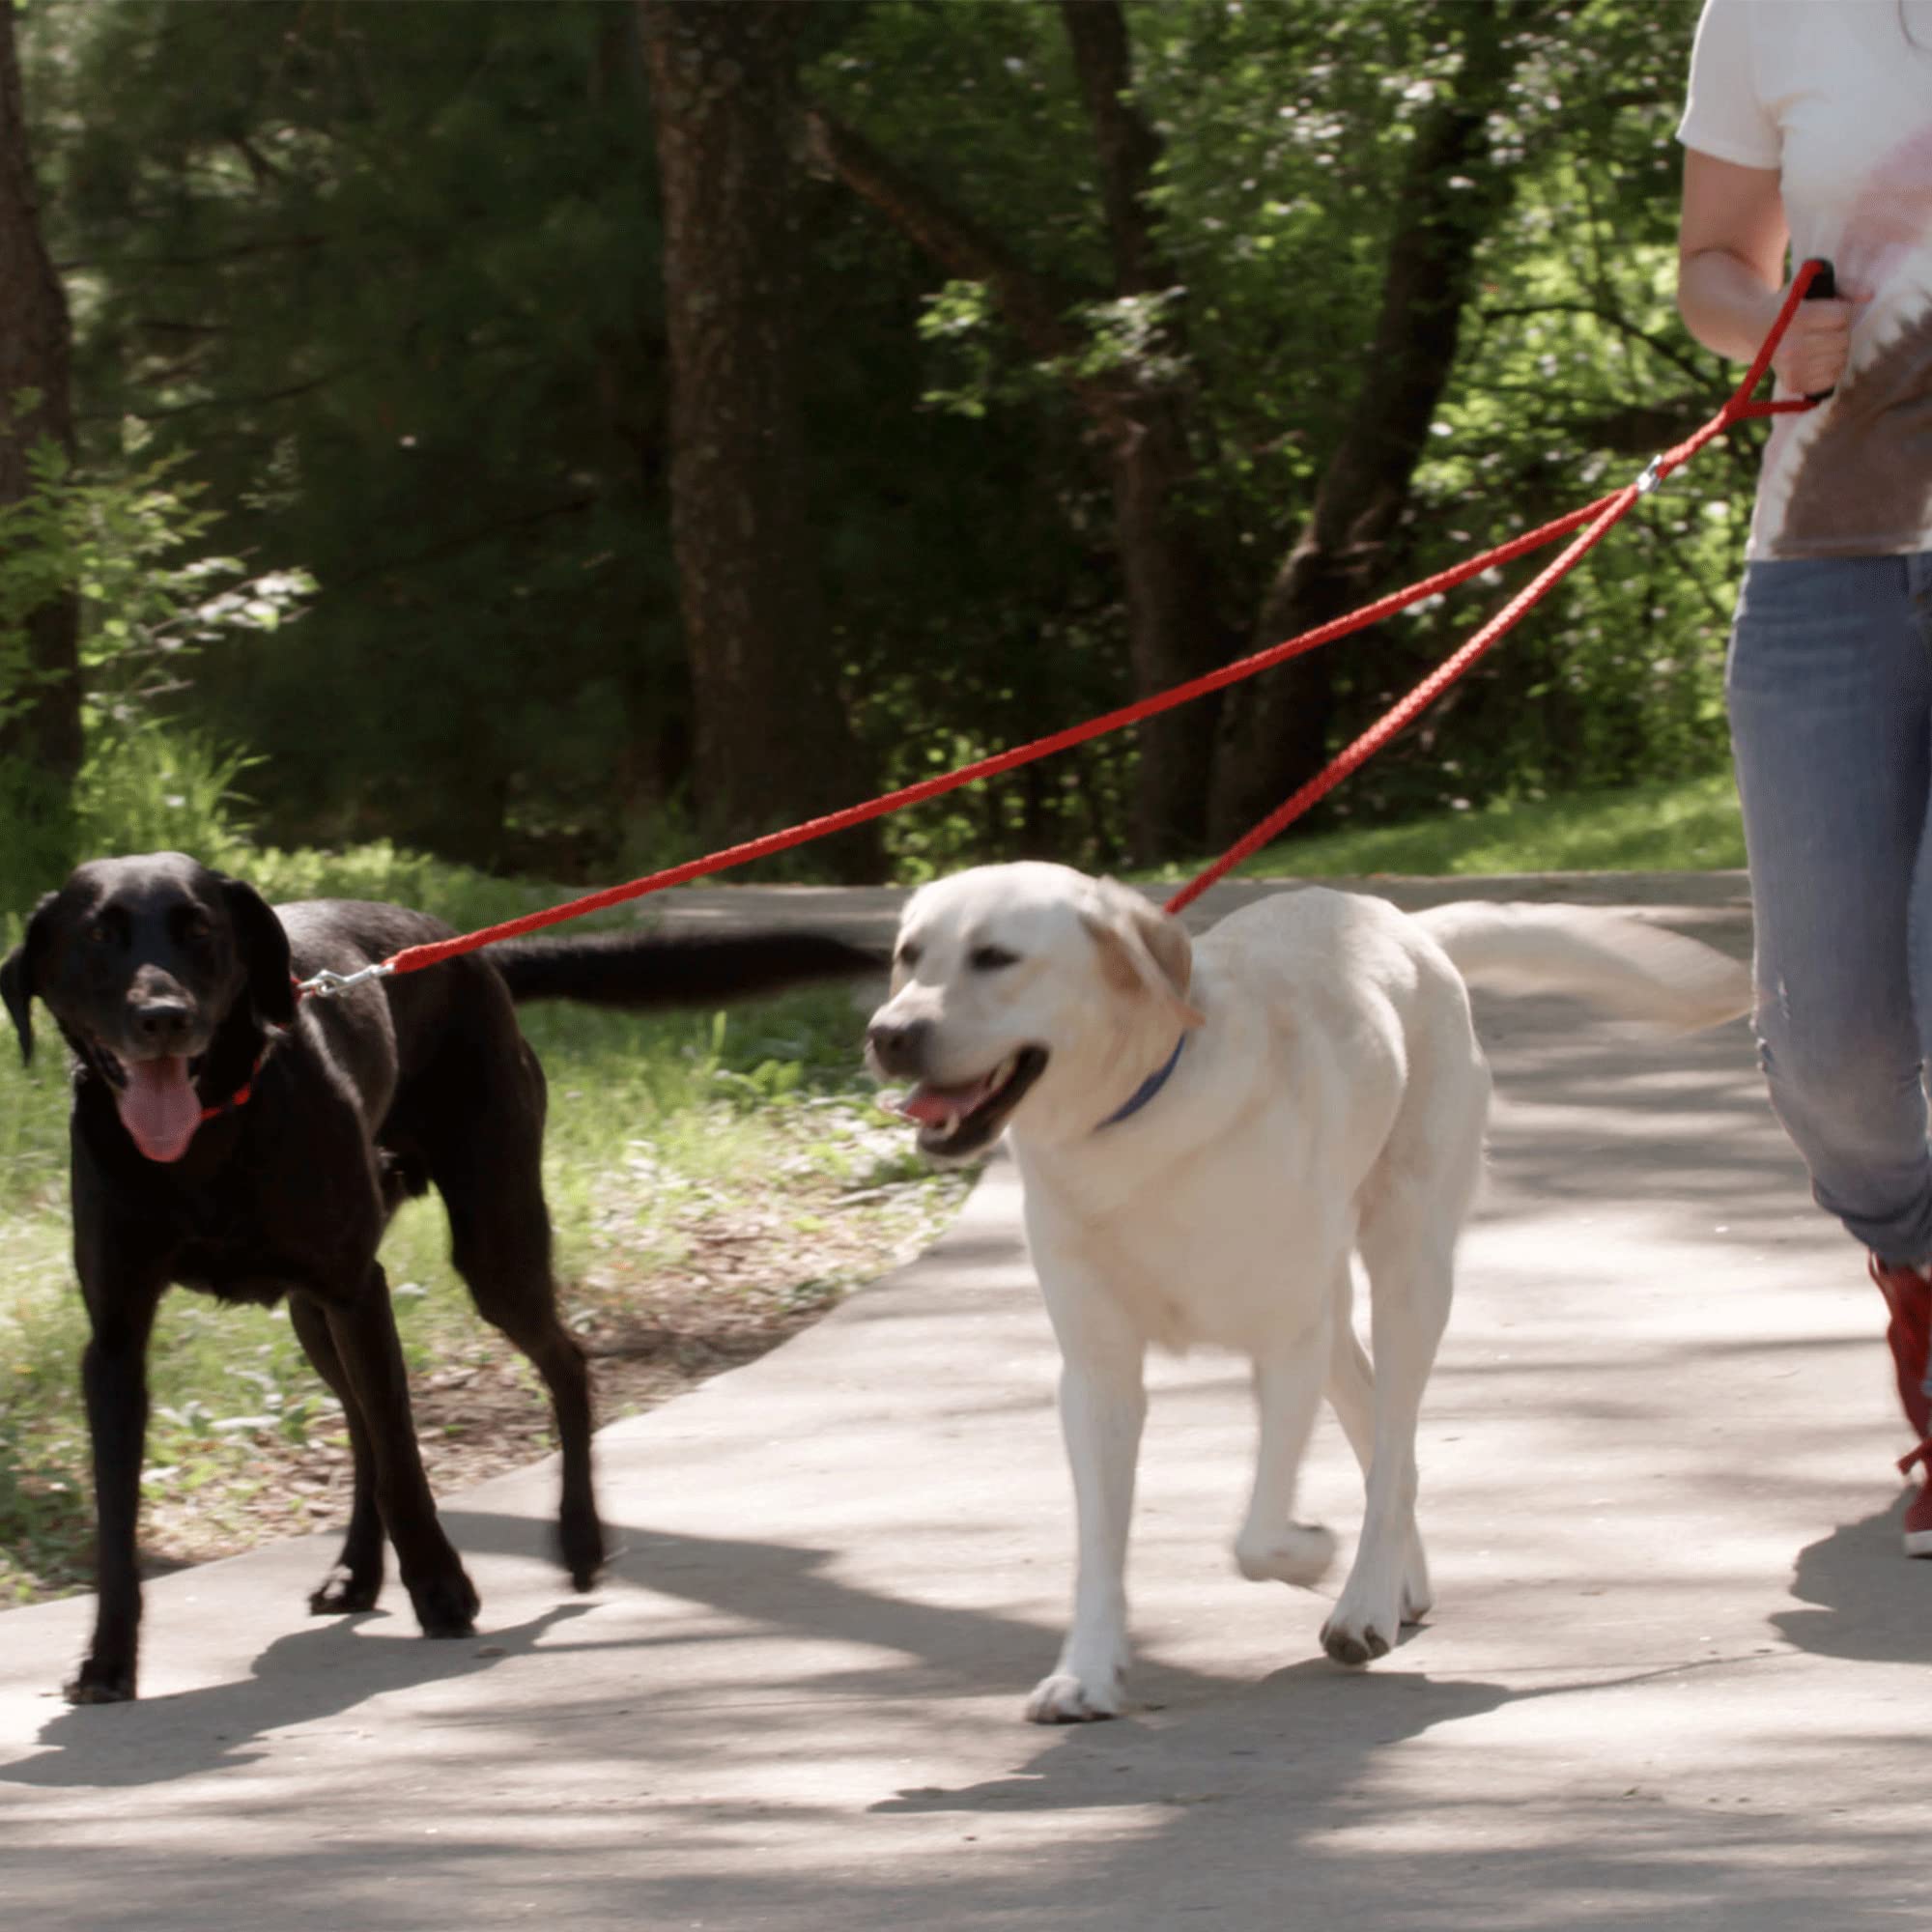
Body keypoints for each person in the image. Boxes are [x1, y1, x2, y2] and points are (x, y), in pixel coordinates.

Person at [1676, 0, 1932, 1553]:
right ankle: (1915, 1269)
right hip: (1824, 561)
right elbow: (1714, 259)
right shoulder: (1765, 9)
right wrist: (1760, 322)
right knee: (1830, 1050)